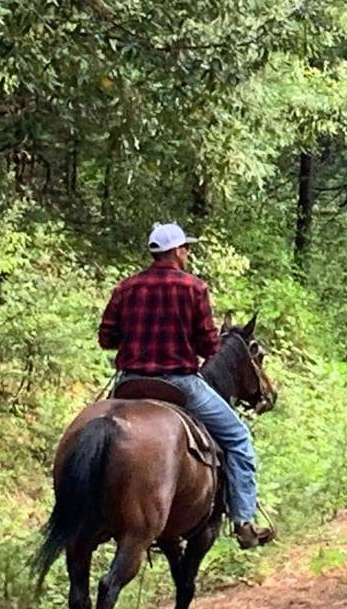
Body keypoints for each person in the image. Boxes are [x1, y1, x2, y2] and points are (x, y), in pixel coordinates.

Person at [99, 222, 274, 549]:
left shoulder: (125, 288)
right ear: (177, 251)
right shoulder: (194, 288)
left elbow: (106, 338)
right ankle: (243, 520)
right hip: (179, 384)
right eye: (186, 248)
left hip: (130, 383)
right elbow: (209, 346)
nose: (188, 253)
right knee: (238, 438)